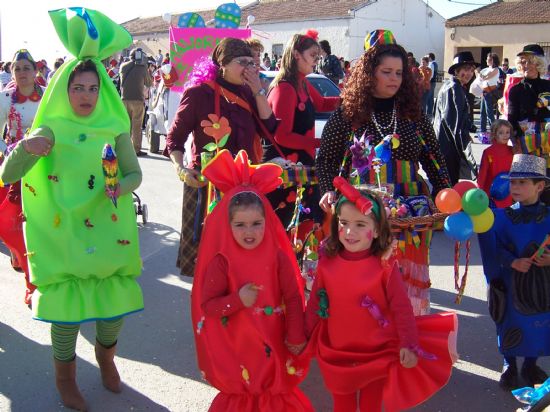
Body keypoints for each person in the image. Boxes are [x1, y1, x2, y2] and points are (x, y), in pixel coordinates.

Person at [0, 9, 143, 410]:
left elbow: (134, 175)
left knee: (112, 310)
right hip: (63, 234)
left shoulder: (114, 127)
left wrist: (118, 185)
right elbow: (7, 173)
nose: (84, 95)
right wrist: (25, 147)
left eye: (92, 88)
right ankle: (65, 377)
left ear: (102, 91)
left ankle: (106, 359)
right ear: (64, 88)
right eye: (78, 87)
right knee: (66, 314)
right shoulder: (49, 127)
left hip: (108, 229)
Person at [316, 29, 451, 315]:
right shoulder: (348, 114)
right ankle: (366, 337)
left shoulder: (413, 115)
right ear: (369, 73)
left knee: (404, 281)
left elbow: (434, 159)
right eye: (386, 72)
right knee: (368, 276)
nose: (394, 79)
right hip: (362, 212)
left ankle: (405, 339)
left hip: (408, 212)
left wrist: (445, 193)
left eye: (399, 73)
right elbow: (326, 159)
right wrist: (328, 189)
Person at [305, 179, 457, 412]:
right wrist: (302, 337)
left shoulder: (385, 266)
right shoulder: (327, 264)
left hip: (376, 352)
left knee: (370, 407)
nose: (349, 231)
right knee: (342, 406)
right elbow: (315, 301)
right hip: (336, 353)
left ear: (376, 230)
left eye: (359, 224)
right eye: (343, 223)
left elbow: (401, 307)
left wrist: (409, 343)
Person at [191, 149, 312, 411]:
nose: (250, 232)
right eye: (240, 225)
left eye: (257, 223)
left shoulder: (277, 255)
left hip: (273, 344)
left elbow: (292, 295)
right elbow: (208, 305)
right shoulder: (222, 261)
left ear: (268, 221)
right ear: (227, 224)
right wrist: (237, 300)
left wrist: (295, 333)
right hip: (238, 348)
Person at [164, 37, 277, 277]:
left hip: (243, 186)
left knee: (240, 260)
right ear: (222, 64)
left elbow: (270, 127)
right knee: (206, 262)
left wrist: (258, 90)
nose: (249, 68)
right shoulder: (198, 94)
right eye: (241, 62)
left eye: (251, 62)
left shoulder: (249, 93)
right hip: (205, 186)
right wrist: (181, 169)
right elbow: (174, 138)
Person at [478, 154, 550, 391]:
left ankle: (531, 365)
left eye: (522, 183)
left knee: (539, 323)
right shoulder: (500, 217)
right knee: (509, 321)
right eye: (512, 182)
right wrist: (512, 261)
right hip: (511, 284)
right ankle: (509, 365)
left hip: (542, 285)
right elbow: (492, 248)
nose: (515, 187)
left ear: (540, 186)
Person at [265, 30, 340, 231]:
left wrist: (353, 98)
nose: (316, 60)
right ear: (297, 54)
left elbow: (323, 103)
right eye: (313, 56)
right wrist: (320, 143)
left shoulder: (302, 83)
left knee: (301, 232)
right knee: (287, 230)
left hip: (301, 167)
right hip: (286, 172)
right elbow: (282, 136)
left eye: (317, 56)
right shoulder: (285, 88)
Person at [0, 49, 44, 304]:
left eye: (27, 68)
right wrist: (9, 151)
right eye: (17, 69)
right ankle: (26, 270)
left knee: (39, 225)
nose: (22, 74)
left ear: (35, 70)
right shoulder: (5, 98)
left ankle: (35, 279)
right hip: (15, 168)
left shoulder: (47, 96)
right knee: (14, 224)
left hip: (43, 167)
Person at [433, 51, 479, 186]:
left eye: (471, 70)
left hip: (443, 144)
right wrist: (464, 151)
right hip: (448, 147)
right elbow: (454, 125)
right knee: (447, 186)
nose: (469, 73)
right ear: (457, 71)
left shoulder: (452, 86)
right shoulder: (454, 88)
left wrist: (471, 126)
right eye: (466, 69)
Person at [120, 47, 152, 156]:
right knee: (137, 125)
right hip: (137, 100)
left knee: (126, 125)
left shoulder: (123, 66)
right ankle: (136, 149)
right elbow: (149, 83)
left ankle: (124, 148)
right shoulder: (142, 68)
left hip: (124, 99)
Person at [477, 119, 514, 208]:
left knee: (506, 215)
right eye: (501, 133)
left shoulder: (512, 150)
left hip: (507, 193)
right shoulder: (488, 152)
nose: (505, 135)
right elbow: (482, 173)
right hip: (490, 193)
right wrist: (479, 191)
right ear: (494, 134)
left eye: (507, 132)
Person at [478, 53, 501, 137]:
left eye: (488, 59)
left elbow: (485, 77)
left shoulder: (495, 69)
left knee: (489, 113)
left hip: (489, 92)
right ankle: (483, 131)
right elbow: (481, 77)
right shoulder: (487, 69)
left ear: (492, 60)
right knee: (482, 112)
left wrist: (480, 74)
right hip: (484, 92)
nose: (486, 61)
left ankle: (494, 131)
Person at [427, 52, 438, 118]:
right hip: (433, 82)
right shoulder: (435, 63)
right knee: (430, 97)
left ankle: (429, 112)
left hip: (430, 82)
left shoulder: (431, 64)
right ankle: (430, 112)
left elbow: (431, 74)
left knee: (429, 97)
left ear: (430, 57)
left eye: (428, 57)